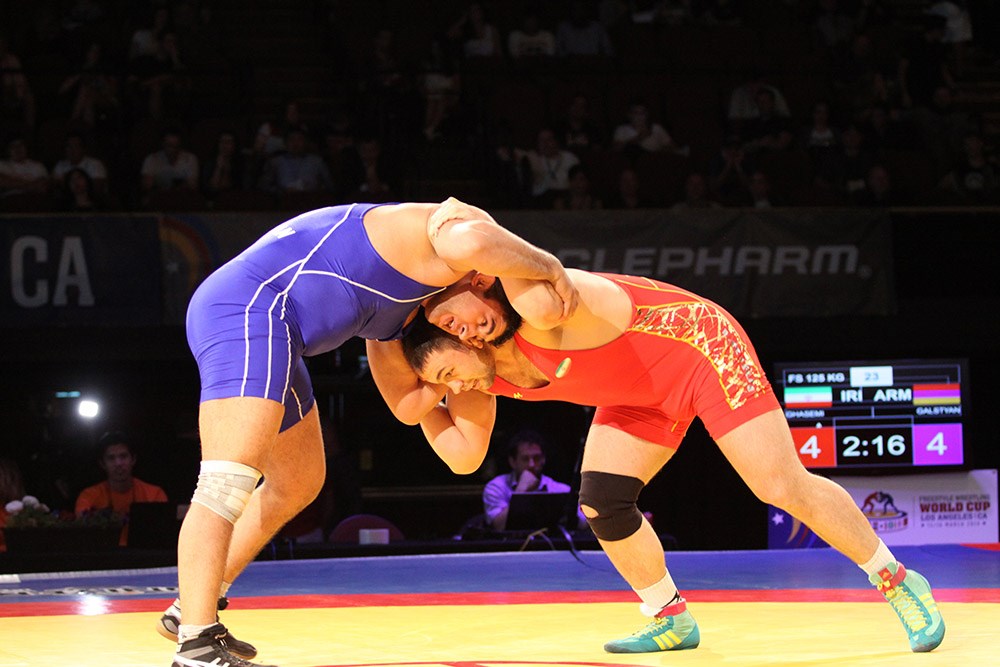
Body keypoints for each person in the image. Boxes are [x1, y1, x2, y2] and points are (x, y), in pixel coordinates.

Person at [368, 268, 945, 656]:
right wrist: (388, 359)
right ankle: (670, 617)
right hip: (635, 393)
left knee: (778, 484)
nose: (456, 383)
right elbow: (463, 457)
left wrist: (471, 254)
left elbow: (516, 261)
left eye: (455, 353)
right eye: (443, 380)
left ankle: (898, 580)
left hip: (699, 347)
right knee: (603, 502)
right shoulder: (477, 375)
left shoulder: (534, 306)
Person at [165, 198, 578, 667]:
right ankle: (196, 646)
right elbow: (476, 239)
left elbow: (450, 443)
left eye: (476, 339)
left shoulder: (406, 318)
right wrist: (550, 267)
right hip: (247, 308)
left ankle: (192, 606)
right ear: (482, 279)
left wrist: (462, 377)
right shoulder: (449, 242)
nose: (467, 334)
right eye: (480, 324)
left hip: (279, 334)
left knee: (299, 481)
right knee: (226, 481)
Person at [75, 431, 169, 546]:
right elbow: (83, 532)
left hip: (144, 553)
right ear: (102, 464)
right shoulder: (88, 496)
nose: (118, 463)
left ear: (133, 460)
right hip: (105, 553)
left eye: (123, 456)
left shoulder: (155, 494)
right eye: (111, 458)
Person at [483, 428, 586, 531]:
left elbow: (584, 524)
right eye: (525, 459)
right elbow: (499, 526)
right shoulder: (496, 487)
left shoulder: (561, 490)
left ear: (543, 459)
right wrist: (520, 491)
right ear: (512, 462)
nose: (531, 464)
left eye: (536, 458)